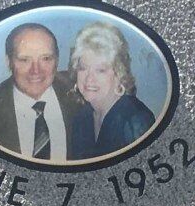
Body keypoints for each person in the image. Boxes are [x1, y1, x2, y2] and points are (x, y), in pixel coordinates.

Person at [0, 22, 80, 162]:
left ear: (57, 60)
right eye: (24, 60)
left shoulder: (85, 98)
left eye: (46, 59)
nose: (36, 70)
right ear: (8, 62)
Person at [66, 21, 155, 160]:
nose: (89, 78)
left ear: (119, 74)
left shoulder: (135, 121)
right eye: (83, 68)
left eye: (100, 70)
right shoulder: (81, 119)